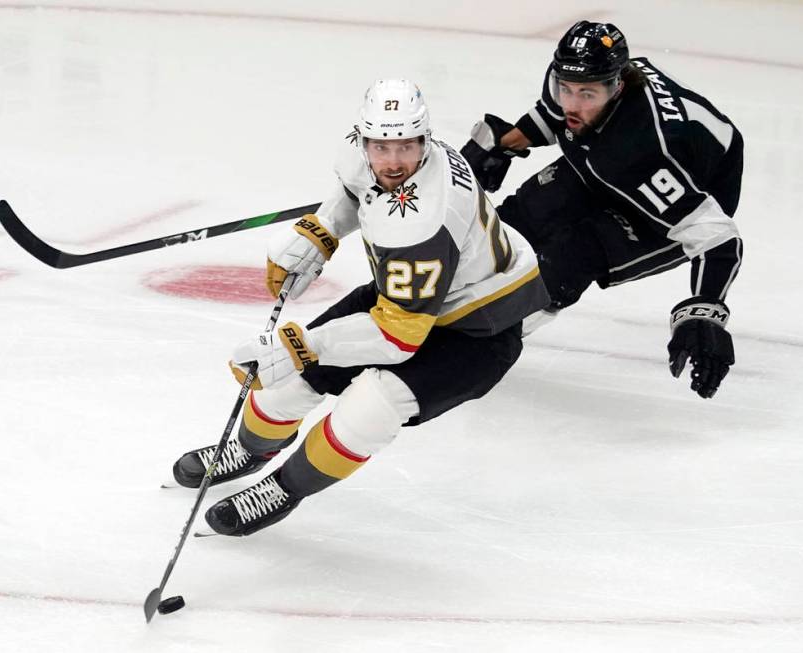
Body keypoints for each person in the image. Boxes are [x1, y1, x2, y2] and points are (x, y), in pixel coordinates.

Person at [171, 79, 550, 537]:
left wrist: (302, 345)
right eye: (382, 146)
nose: (393, 161)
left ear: (425, 140)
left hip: (481, 328)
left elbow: (397, 338)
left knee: (370, 406)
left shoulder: (425, 221)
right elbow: (358, 191)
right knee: (286, 383)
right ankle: (249, 450)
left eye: (406, 147)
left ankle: (284, 487)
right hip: (413, 295)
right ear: (364, 137)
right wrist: (323, 229)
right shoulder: (362, 153)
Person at [460, 21, 744, 399]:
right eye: (567, 90)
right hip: (613, 160)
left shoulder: (647, 152)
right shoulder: (573, 78)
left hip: (678, 196)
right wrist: (506, 143)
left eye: (588, 94)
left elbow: (720, 238)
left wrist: (705, 311)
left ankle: (481, 345)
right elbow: (554, 114)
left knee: (570, 257)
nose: (573, 103)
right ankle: (450, 300)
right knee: (522, 217)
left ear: (618, 85)